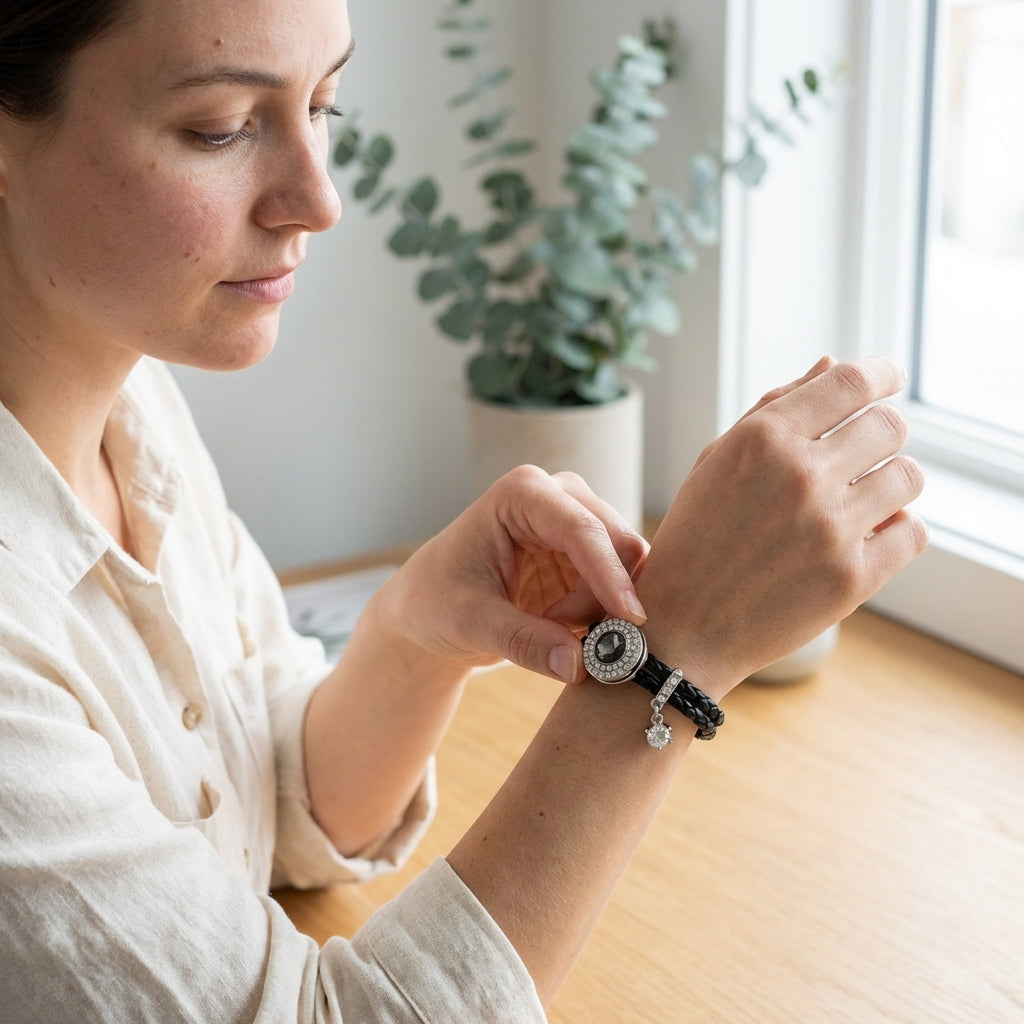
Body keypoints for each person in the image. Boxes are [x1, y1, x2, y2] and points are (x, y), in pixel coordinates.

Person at [0, 0, 927, 1020]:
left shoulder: (130, 408)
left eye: (325, 106)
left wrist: (416, 633)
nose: (319, 198)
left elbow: (253, 805)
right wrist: (668, 663)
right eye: (220, 128)